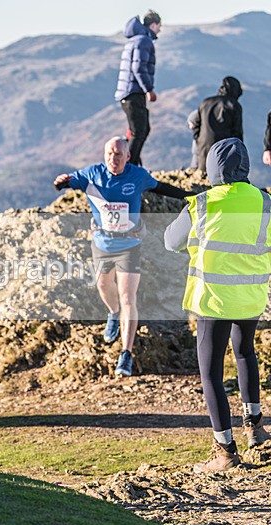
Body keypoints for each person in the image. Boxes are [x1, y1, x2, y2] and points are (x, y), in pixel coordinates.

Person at [164, 138, 271, 472]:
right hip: (251, 297)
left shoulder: (203, 203)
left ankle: (225, 452)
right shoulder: (265, 202)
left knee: (210, 373)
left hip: (213, 300)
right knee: (244, 354)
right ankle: (256, 428)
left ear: (212, 168)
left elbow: (171, 242)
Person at [53, 137, 189, 377]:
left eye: (118, 154)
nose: (112, 159)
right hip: (103, 243)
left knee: (128, 297)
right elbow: (69, 182)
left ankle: (126, 354)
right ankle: (113, 313)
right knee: (103, 284)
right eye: (109, 153)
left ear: (127, 156)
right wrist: (61, 183)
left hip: (130, 243)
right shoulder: (92, 174)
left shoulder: (138, 175)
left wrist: (188, 195)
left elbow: (161, 187)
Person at [114, 10, 161, 167]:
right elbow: (138, 68)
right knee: (139, 131)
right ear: (153, 25)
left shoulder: (135, 40)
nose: (160, 30)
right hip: (133, 92)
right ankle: (129, 166)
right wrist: (149, 89)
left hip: (128, 92)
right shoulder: (144, 41)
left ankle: (129, 160)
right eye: (159, 26)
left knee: (138, 129)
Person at [190, 76, 243, 172]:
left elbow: (195, 122)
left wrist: (197, 137)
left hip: (204, 146)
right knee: (221, 176)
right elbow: (237, 131)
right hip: (224, 148)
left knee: (203, 175)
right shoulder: (234, 106)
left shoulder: (206, 102)